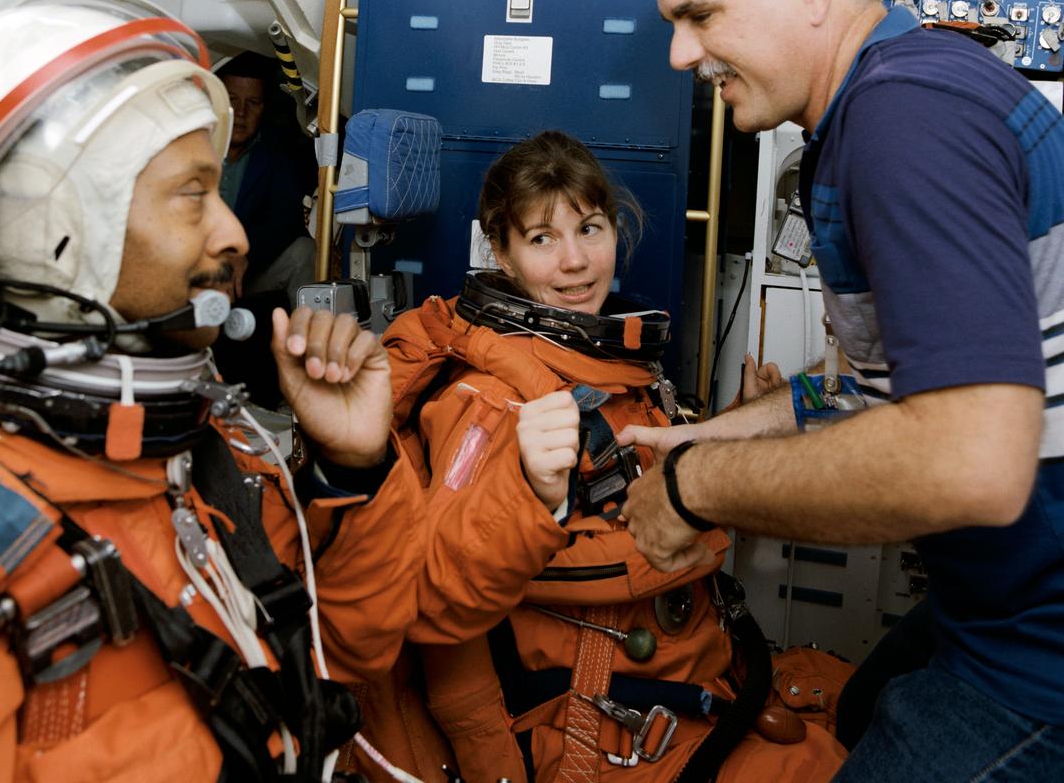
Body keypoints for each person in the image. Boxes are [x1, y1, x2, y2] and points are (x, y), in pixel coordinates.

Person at [0, 0, 424, 782]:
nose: (232, 231)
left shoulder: (195, 451)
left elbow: (341, 655)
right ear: (45, 235)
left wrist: (354, 473)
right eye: (191, 197)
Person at [618, 0, 1064, 782]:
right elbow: (880, 387)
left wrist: (696, 489)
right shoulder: (903, 95)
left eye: (698, 15)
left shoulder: (905, 124)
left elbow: (968, 463)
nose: (679, 53)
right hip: (999, 600)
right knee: (865, 705)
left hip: (1040, 649)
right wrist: (710, 437)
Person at [363, 130, 847, 783]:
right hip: (596, 726)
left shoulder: (615, 368)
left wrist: (738, 427)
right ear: (500, 256)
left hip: (688, 672)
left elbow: (654, 477)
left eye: (589, 229)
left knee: (871, 696)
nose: (575, 262)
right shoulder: (493, 396)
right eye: (541, 239)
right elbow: (439, 596)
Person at [217, 51, 316, 299]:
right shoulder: (191, 146)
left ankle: (305, 336)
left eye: (252, 103)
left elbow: (283, 220)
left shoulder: (277, 152)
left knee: (305, 252)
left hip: (246, 268)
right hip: (191, 264)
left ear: (264, 107)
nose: (240, 113)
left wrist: (241, 254)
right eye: (231, 100)